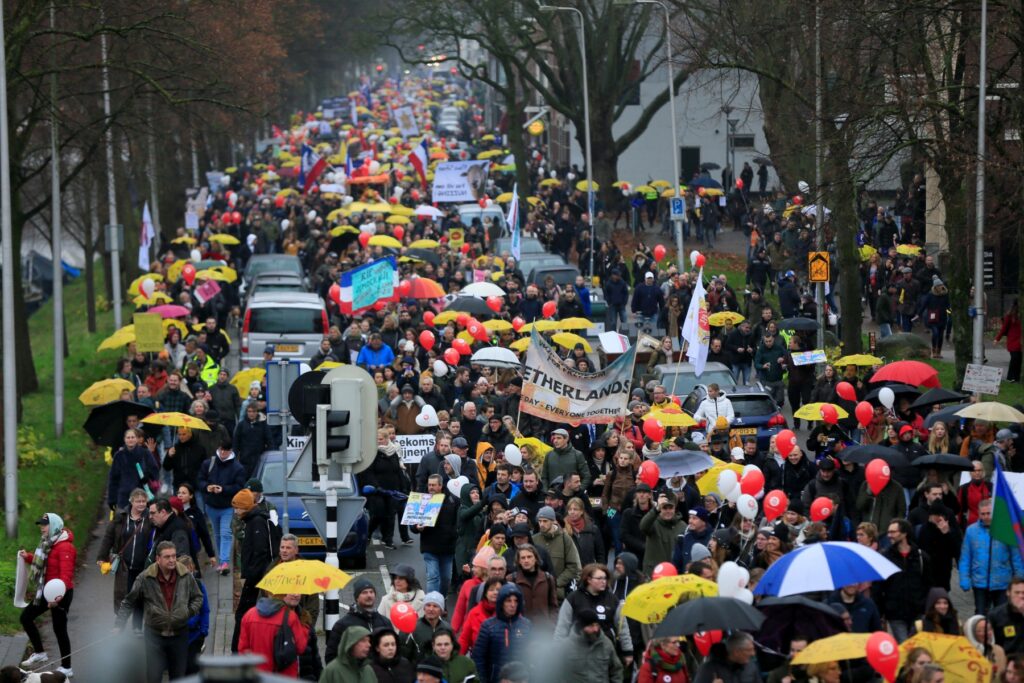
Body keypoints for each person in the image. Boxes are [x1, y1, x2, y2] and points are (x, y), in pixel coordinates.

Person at [115, 541, 204, 683]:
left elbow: (198, 597)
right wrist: (119, 625)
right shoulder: (145, 578)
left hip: (179, 635)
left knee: (178, 678)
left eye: (174, 556)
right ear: (158, 559)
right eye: (167, 557)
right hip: (154, 636)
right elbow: (128, 602)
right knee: (154, 677)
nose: (172, 560)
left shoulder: (186, 575)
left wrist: (187, 612)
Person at [18, 513, 76, 678]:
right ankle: (39, 652)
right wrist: (28, 557)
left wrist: (58, 598)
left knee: (59, 629)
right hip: (46, 591)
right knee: (26, 617)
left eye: (45, 525)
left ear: (55, 526)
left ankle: (66, 667)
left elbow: (66, 575)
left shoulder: (65, 547)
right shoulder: (48, 543)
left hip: (61, 593)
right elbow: (43, 562)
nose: (41, 527)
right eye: (41, 525)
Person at [231, 488, 281, 653]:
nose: (235, 511)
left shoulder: (256, 522)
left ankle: (238, 649)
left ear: (245, 507)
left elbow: (260, 551)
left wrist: (251, 576)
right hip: (257, 576)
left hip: (257, 577)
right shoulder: (252, 520)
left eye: (237, 507)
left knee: (243, 614)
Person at [555, 564, 633, 664]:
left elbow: (622, 627)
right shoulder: (573, 598)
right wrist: (557, 651)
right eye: (599, 578)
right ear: (588, 579)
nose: (603, 581)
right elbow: (562, 627)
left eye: (605, 578)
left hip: (606, 652)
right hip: (578, 652)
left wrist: (628, 651)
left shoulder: (612, 599)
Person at [97, 488, 152, 631]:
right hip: (124, 565)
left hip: (142, 565)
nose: (141, 504)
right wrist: (102, 557)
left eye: (143, 501)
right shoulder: (121, 517)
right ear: (131, 501)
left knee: (140, 596)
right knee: (123, 595)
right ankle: (119, 625)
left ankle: (137, 627)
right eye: (138, 501)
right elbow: (108, 537)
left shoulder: (150, 518)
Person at [959, 498, 1024, 615]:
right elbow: (966, 557)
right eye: (983, 514)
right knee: (980, 614)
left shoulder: (1006, 529)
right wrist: (964, 578)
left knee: (1003, 614)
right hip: (979, 582)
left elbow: (1016, 557)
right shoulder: (971, 531)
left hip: (1002, 582)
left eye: (988, 513)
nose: (986, 517)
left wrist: (1020, 579)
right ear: (978, 514)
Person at [198, 437, 244, 574]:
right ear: (218, 449)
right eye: (221, 450)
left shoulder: (237, 468)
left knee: (226, 533)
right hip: (211, 505)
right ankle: (221, 561)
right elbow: (200, 479)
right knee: (217, 534)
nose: (223, 453)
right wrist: (207, 487)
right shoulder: (209, 463)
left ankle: (224, 562)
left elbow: (239, 487)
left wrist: (223, 489)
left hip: (228, 506)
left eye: (226, 451)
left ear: (231, 451)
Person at [879, 518, 930, 642]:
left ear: (904, 533)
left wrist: (926, 608)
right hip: (895, 613)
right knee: (904, 646)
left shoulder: (920, 556)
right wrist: (881, 612)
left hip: (918, 611)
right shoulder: (885, 557)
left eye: (893, 532)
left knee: (916, 647)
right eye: (888, 532)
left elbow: (929, 583)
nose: (889, 535)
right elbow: (879, 586)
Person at [237, 592, 310, 677]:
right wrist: (305, 627)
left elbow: (243, 650)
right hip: (284, 676)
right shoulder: (290, 617)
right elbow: (300, 647)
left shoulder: (249, 615)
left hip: (257, 674)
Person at [472, 583, 532, 683]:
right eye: (508, 601)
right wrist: (483, 680)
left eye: (516, 601)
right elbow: (478, 657)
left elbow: (532, 656)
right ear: (501, 602)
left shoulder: (526, 625)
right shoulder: (488, 626)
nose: (513, 605)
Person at [326, 576, 391, 663]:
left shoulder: (385, 622)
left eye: (371, 592)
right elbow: (331, 655)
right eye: (364, 592)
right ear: (357, 598)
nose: (369, 595)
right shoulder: (343, 625)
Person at [413, 474, 458, 596]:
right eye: (429, 485)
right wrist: (417, 527)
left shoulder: (452, 500)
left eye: (433, 485)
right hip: (429, 547)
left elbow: (457, 522)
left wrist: (453, 534)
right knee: (433, 577)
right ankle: (432, 604)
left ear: (440, 485)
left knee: (446, 579)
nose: (431, 487)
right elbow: (412, 524)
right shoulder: (421, 500)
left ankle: (441, 601)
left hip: (447, 548)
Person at [531, 505, 582, 600]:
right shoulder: (534, 539)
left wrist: (555, 583)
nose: (541, 524)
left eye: (545, 521)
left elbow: (573, 567)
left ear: (553, 521)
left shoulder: (565, 539)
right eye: (540, 521)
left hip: (558, 594)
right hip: (537, 593)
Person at [108, 428, 159, 511]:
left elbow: (154, 469)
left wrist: (147, 475)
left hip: (142, 494)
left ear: (136, 439)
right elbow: (113, 478)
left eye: (133, 437)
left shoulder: (145, 453)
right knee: (124, 521)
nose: (130, 439)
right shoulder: (119, 456)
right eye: (128, 437)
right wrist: (112, 499)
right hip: (124, 496)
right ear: (124, 439)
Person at [640, 492, 688, 575]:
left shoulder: (683, 526)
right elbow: (643, 526)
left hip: (674, 572)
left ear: (675, 508)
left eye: (671, 508)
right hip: (654, 572)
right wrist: (656, 509)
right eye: (664, 508)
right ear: (660, 509)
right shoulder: (653, 523)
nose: (668, 511)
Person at [693, 632, 760, 683]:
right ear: (736, 652)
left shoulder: (751, 666)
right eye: (749, 650)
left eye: (753, 649)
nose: (753, 653)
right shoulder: (707, 669)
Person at [988, 577, 1024, 655]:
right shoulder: (995, 615)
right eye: (1017, 593)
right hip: (1006, 660)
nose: (1021, 596)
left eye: (1023, 593)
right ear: (1008, 593)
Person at [996, 300, 1022, 383]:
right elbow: (1003, 329)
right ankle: (1010, 377)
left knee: (1019, 360)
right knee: (1015, 359)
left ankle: (1016, 378)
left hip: (1020, 341)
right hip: (1013, 341)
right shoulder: (1009, 316)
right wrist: (997, 339)